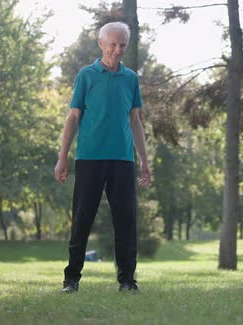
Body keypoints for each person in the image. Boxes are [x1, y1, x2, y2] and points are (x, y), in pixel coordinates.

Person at [54, 21, 151, 293]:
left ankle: (127, 281)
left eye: (122, 45)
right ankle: (71, 279)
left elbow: (135, 121)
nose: (117, 50)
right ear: (101, 43)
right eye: (113, 44)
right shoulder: (86, 75)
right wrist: (63, 157)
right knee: (82, 219)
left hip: (122, 160)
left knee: (126, 221)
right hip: (89, 159)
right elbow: (73, 118)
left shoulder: (130, 78)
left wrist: (144, 159)